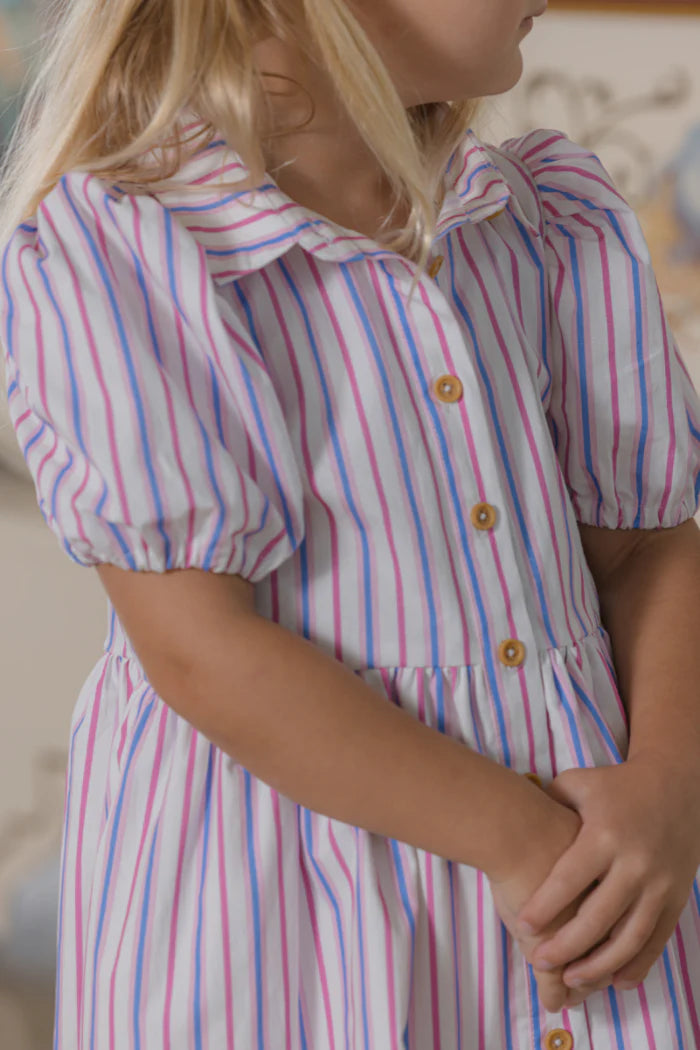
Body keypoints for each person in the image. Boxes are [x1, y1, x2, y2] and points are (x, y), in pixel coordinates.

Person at [0, 0, 699, 1046]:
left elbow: (644, 539)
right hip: (278, 887)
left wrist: (666, 788)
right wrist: (514, 839)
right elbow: (201, 651)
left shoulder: (542, 226)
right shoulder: (129, 253)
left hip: (589, 871)